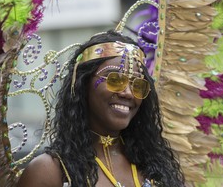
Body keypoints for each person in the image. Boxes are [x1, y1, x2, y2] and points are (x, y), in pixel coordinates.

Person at [16, 30, 185, 187]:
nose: (127, 93)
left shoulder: (153, 164)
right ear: (82, 84)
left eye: (137, 85)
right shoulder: (48, 172)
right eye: (114, 79)